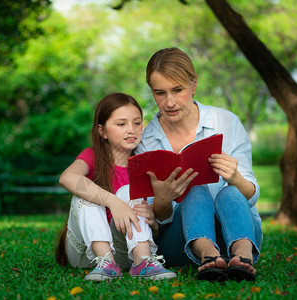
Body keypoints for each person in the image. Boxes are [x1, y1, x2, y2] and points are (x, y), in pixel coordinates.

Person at [135, 47, 262, 282]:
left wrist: (235, 177)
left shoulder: (226, 122)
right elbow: (155, 219)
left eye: (178, 90)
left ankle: (244, 256)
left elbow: (251, 195)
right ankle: (208, 255)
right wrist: (162, 201)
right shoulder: (146, 141)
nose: (169, 102)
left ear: (193, 85)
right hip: (181, 242)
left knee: (231, 192)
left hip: (237, 231)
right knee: (195, 190)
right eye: (159, 93)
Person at [54, 92, 177, 282]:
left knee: (130, 191)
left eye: (137, 123)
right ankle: (105, 263)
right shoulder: (92, 155)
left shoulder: (146, 165)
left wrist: (152, 221)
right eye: (121, 124)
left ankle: (143, 262)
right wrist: (114, 202)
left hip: (125, 253)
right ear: (102, 131)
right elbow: (67, 177)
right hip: (84, 253)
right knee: (86, 192)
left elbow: (155, 231)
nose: (132, 130)